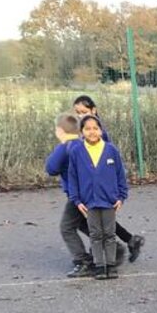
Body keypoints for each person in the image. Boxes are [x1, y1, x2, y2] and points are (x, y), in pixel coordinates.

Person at [71, 95, 145, 262]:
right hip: (86, 189)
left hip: (97, 190)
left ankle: (108, 251)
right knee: (90, 220)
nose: (80, 115)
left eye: (83, 112)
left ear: (93, 110)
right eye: (77, 112)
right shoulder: (84, 133)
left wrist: (118, 193)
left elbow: (107, 165)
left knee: (78, 223)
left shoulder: (98, 136)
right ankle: (128, 241)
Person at [68, 115, 130, 280]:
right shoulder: (76, 152)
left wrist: (121, 196)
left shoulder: (111, 150)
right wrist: (77, 200)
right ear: (82, 132)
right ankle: (99, 265)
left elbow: (120, 175)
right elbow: (73, 178)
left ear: (101, 131)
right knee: (95, 235)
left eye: (95, 128)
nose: (92, 132)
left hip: (109, 201)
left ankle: (111, 264)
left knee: (109, 234)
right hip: (89, 202)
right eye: (87, 129)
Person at [44, 112, 104, 278]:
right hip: (92, 191)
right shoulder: (84, 144)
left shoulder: (65, 147)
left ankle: (82, 261)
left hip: (77, 195)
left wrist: (60, 149)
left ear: (59, 130)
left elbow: (51, 168)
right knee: (85, 223)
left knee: (67, 228)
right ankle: (107, 250)